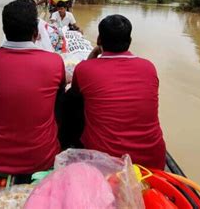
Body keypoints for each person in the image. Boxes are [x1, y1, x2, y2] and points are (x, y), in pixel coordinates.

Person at [0, 0, 66, 174]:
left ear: (4, 30)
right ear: (36, 32)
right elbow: (60, 105)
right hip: (42, 157)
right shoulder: (54, 62)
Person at [69, 14, 166, 169]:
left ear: (99, 40)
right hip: (153, 161)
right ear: (130, 41)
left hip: (106, 163)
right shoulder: (149, 67)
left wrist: (92, 57)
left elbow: (74, 96)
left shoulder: (84, 69)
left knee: (73, 101)